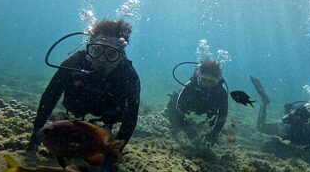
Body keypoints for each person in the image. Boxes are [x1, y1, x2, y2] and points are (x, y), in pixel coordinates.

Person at [28, 19, 140, 151]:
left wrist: (115, 152)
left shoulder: (128, 76)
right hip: (76, 110)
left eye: (111, 54)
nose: (102, 59)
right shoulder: (73, 64)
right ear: (89, 48)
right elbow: (50, 96)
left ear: (121, 55)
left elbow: (131, 117)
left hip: (108, 116)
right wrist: (36, 134)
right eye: (96, 50)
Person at [250, 76, 310, 156]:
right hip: (286, 132)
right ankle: (264, 100)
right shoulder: (301, 111)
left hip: (298, 141)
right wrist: (294, 117)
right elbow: (284, 120)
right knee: (260, 127)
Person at [166, 60, 228, 144]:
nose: (207, 85)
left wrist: (214, 133)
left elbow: (222, 116)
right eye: (204, 80)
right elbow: (178, 108)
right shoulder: (191, 85)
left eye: (211, 82)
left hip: (207, 109)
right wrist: (188, 128)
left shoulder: (221, 92)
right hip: (190, 106)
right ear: (198, 77)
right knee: (174, 116)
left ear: (217, 81)